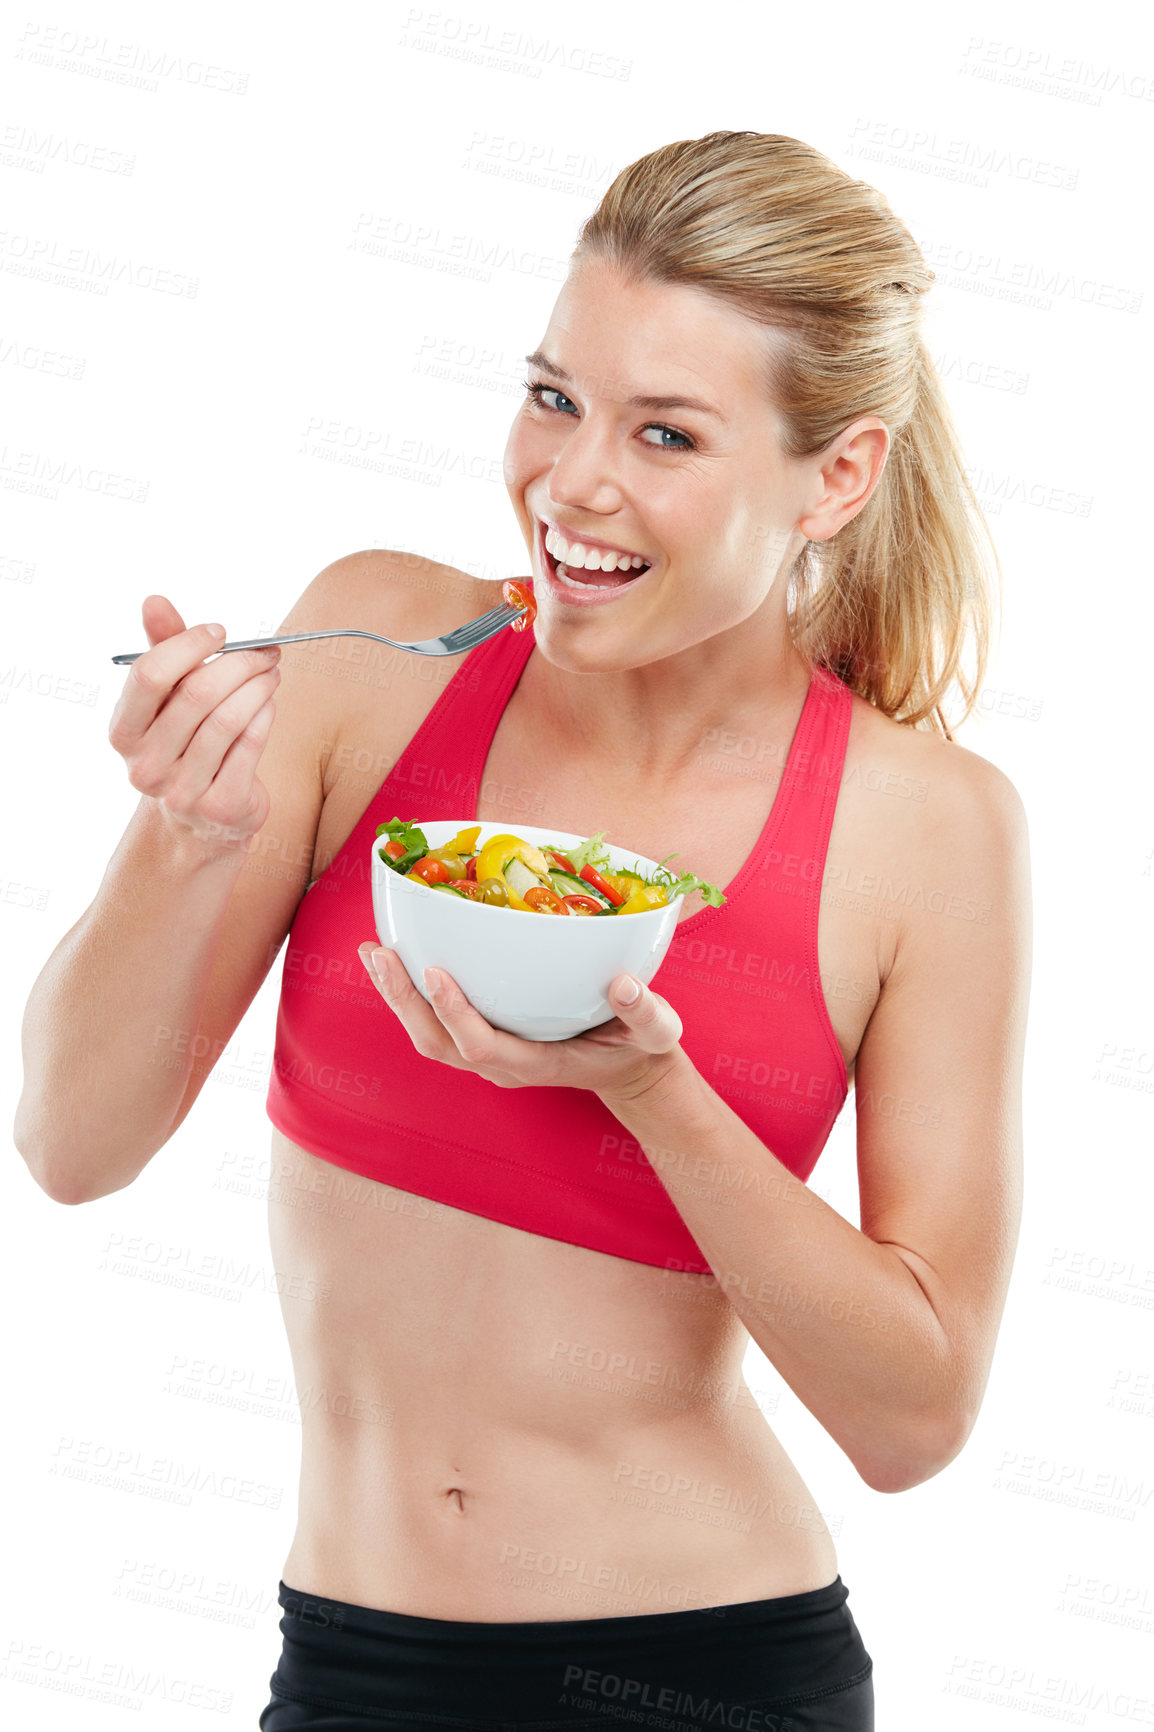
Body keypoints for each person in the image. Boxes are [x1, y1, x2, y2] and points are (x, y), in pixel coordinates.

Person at [16, 131, 1031, 1730]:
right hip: (349, 1662)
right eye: (554, 396)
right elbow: (71, 1146)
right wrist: (186, 834)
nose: (573, 483)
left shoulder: (928, 828)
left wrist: (647, 1086)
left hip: (705, 1674)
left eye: (668, 434)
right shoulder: (379, 654)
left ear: (836, 472)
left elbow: (915, 1416)